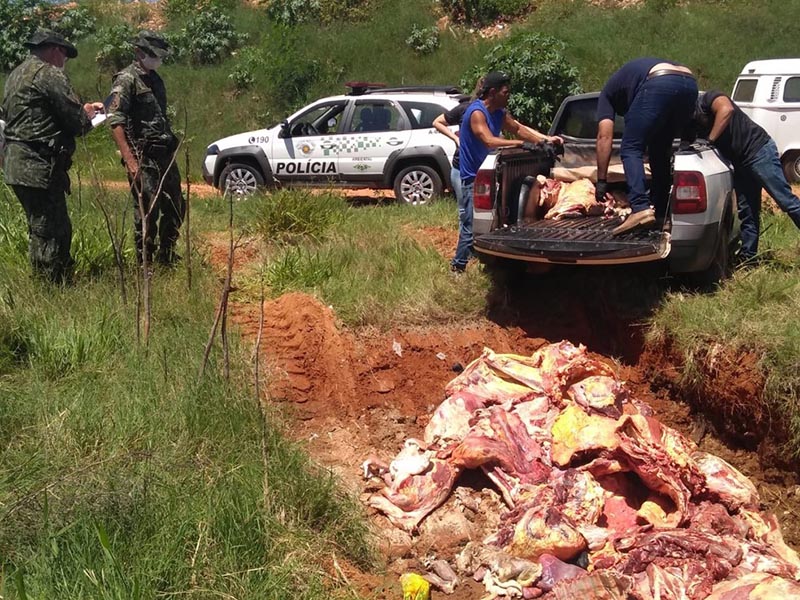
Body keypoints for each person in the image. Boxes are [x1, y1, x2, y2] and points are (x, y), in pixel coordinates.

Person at [1, 29, 104, 284]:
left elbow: (35, 114)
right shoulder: (49, 74)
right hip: (39, 166)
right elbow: (77, 123)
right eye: (65, 55)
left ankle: (44, 282)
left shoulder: (16, 75)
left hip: (17, 164)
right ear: (55, 50)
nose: (64, 61)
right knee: (53, 230)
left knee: (39, 227)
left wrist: (83, 109)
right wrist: (89, 116)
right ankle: (52, 286)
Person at [449, 70, 562, 273]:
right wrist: (522, 144)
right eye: (505, 91)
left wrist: (545, 140)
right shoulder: (476, 113)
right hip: (471, 178)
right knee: (469, 225)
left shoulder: (499, 113)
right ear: (493, 92)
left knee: (489, 223)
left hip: (489, 176)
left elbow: (518, 128)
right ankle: (458, 267)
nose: (508, 95)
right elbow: (488, 140)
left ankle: (480, 261)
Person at [694, 90, 800, 264]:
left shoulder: (708, 98)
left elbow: (727, 109)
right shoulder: (685, 118)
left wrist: (710, 139)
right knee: (748, 210)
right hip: (739, 160)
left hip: (758, 151)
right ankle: (748, 258)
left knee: (786, 201)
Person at [107, 30, 185, 267]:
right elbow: (114, 119)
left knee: (175, 205)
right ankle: (145, 264)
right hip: (144, 157)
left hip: (164, 154)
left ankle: (167, 256)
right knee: (147, 212)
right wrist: (131, 162)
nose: (158, 60)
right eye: (154, 55)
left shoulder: (155, 79)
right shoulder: (125, 79)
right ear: (139, 52)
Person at [595, 58, 698, 235]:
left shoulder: (607, 94)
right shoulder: (630, 80)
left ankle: (640, 207)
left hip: (660, 81)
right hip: (689, 83)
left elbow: (604, 136)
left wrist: (602, 181)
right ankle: (661, 215)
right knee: (660, 151)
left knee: (631, 148)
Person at [432, 77, 484, 209]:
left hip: (484, 167)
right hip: (461, 167)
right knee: (465, 208)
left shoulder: (494, 112)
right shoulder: (465, 108)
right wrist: (455, 138)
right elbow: (437, 122)